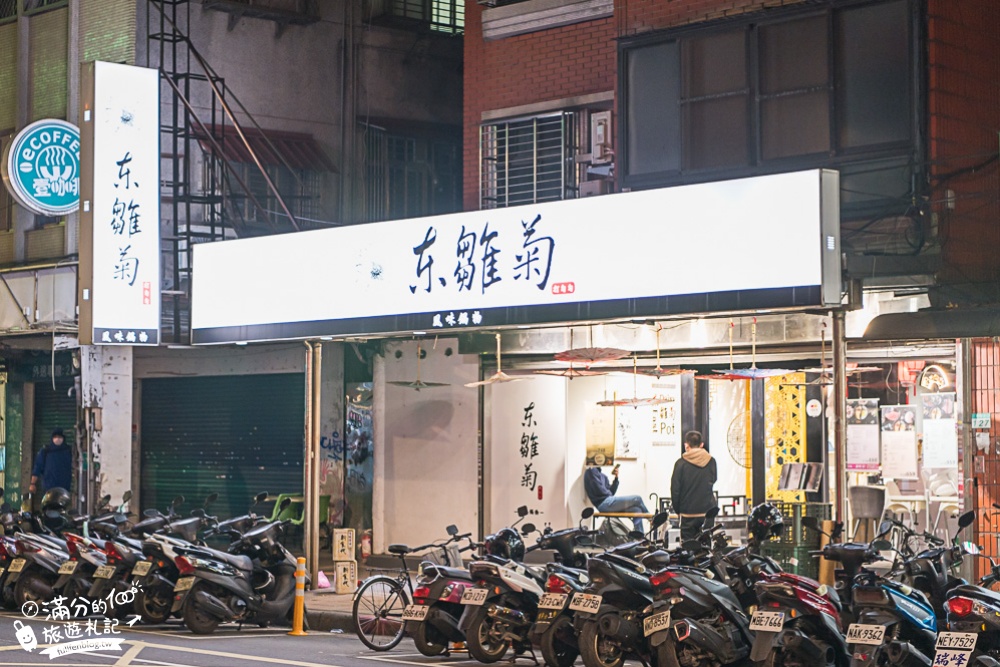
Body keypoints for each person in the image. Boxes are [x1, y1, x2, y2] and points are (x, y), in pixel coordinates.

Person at [670, 430, 718, 541]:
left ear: (686, 445)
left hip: (688, 513)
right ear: (701, 444)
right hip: (707, 512)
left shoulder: (680, 464)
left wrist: (678, 510)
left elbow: (675, 490)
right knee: (705, 549)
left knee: (688, 549)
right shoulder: (711, 461)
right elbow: (714, 479)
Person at [584, 461, 649, 532]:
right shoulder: (590, 472)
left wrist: (616, 478)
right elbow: (600, 491)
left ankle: (639, 537)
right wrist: (608, 494)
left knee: (636, 510)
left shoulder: (603, 476)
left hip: (608, 501)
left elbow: (611, 492)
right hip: (603, 504)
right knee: (637, 498)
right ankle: (651, 518)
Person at [30, 428, 72, 497]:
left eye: (59, 437)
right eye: (55, 437)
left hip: (64, 488)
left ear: (63, 438)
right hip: (48, 488)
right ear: (52, 438)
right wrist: (33, 483)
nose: (57, 439)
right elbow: (37, 468)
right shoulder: (45, 451)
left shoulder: (68, 451)